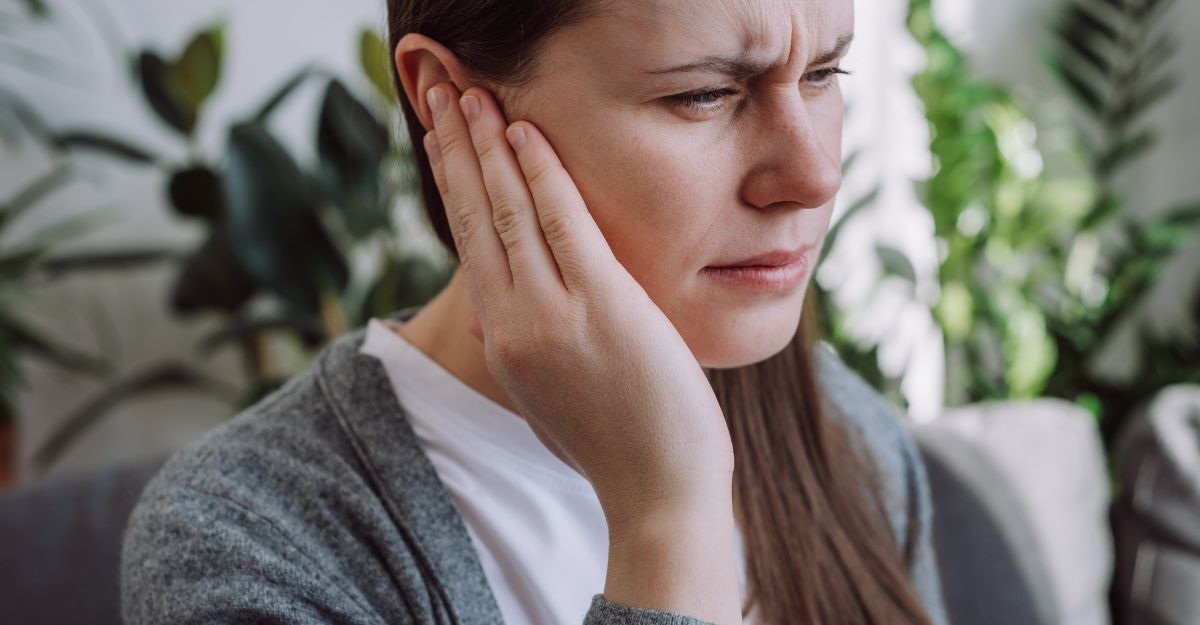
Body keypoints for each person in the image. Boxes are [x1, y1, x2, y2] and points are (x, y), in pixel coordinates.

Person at [121, 1, 950, 624]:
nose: (813, 175)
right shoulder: (253, 543)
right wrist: (668, 516)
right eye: (704, 93)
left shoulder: (853, 443)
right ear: (445, 97)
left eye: (823, 75)